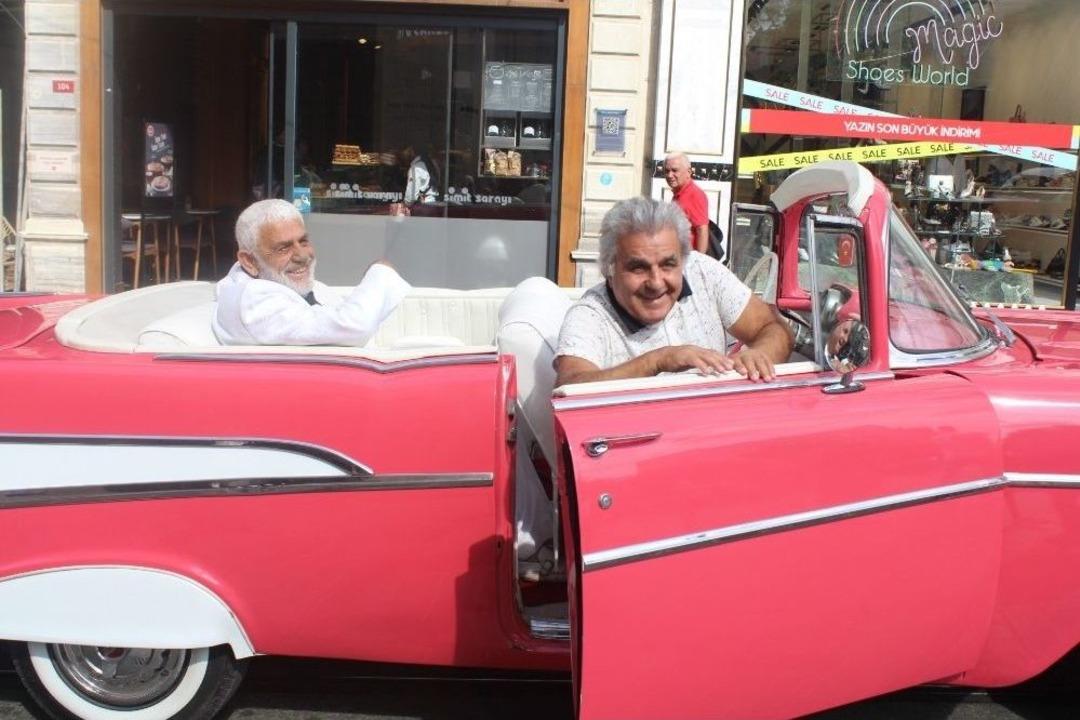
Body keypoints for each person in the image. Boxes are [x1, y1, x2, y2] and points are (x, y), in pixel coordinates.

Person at [555, 196, 791, 386]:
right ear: (609, 268)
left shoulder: (703, 272)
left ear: (683, 260)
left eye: (668, 264)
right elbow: (569, 386)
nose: (656, 282)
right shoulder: (591, 313)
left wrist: (760, 355)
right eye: (638, 267)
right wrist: (657, 361)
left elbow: (773, 327)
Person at [213, 199, 410, 346]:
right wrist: (381, 271)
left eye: (303, 241)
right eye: (283, 248)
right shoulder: (254, 302)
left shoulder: (280, 285)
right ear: (249, 261)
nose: (302, 256)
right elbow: (354, 327)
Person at [663, 151, 710, 254]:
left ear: (688, 172)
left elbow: (702, 230)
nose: (669, 175)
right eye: (667, 171)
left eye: (675, 170)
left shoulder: (694, 194)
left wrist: (698, 260)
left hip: (688, 258)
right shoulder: (679, 193)